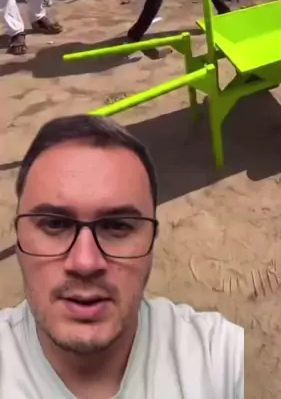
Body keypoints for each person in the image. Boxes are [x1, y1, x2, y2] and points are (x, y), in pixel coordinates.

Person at [0, 114, 244, 398]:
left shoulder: (218, 358)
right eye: (55, 224)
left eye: (117, 226)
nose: (85, 263)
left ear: (152, 241)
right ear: (19, 240)